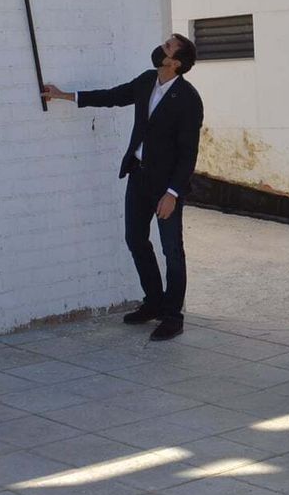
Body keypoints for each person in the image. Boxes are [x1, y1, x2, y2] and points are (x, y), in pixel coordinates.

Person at [42, 34, 203, 341]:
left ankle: (172, 315)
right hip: (138, 176)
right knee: (135, 239)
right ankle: (154, 301)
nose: (161, 46)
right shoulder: (147, 80)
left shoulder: (188, 99)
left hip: (166, 186)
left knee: (172, 251)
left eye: (168, 46)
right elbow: (113, 96)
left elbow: (188, 153)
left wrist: (173, 193)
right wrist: (65, 96)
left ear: (176, 62)